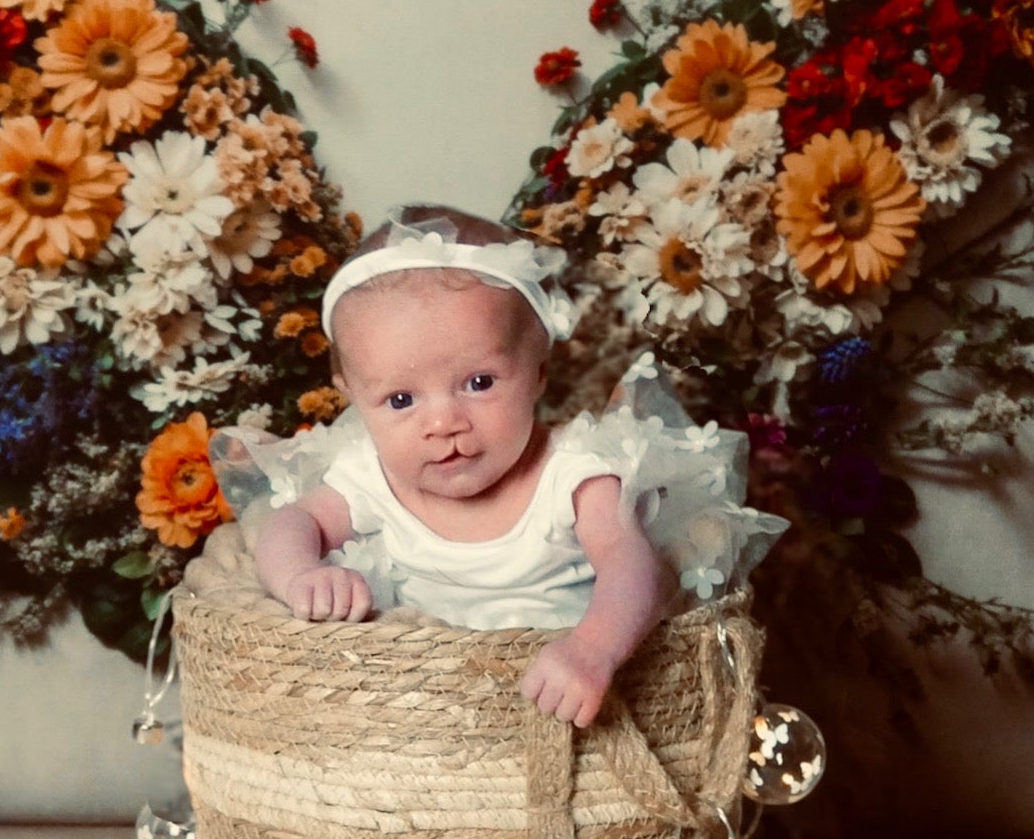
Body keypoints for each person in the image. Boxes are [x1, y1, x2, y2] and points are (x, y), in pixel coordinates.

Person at [210, 205, 784, 727]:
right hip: (419, 706)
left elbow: (637, 566)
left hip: (555, 686)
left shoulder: (573, 474)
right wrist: (301, 577)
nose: (444, 424)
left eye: (479, 383)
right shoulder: (369, 475)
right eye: (401, 400)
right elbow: (291, 522)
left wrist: (594, 648)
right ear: (352, 396)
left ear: (538, 372)